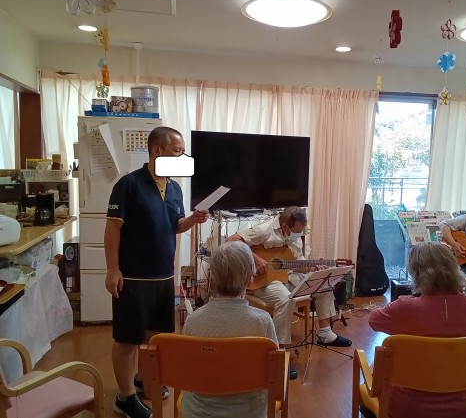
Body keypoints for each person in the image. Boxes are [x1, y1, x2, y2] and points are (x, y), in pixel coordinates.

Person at [104, 126, 209, 418]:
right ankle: (125, 397)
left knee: (155, 337)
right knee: (127, 339)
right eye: (177, 151)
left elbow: (175, 225)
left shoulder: (174, 188)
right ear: (157, 150)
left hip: (163, 276)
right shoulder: (129, 184)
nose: (182, 157)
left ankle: (143, 379)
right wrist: (112, 270)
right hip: (132, 276)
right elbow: (113, 228)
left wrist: (193, 220)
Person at [369, 242, 466, 418]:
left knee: (373, 365)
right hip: (463, 410)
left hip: (405, 409)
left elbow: (373, 320)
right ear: (454, 267)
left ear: (416, 273)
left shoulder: (404, 307)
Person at [226, 206, 352, 379]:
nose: (300, 234)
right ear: (285, 227)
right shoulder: (264, 230)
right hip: (264, 280)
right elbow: (231, 241)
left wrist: (313, 267)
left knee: (323, 283)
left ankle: (325, 334)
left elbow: (298, 265)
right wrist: (256, 258)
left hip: (289, 277)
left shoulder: (296, 237)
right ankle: (279, 352)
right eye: (297, 231)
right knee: (286, 299)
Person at [181, 241, 278, 418]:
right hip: (249, 412)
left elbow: (187, 371)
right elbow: (275, 373)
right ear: (250, 278)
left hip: (198, 412)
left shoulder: (192, 321)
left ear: (212, 278)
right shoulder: (263, 321)